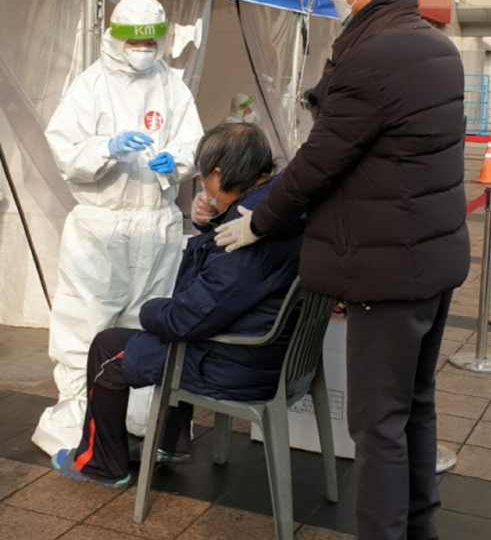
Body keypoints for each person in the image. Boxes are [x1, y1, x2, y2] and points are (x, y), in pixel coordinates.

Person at [215, 0, 470, 540]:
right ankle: (422, 533)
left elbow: (315, 166)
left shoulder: (372, 54)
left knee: (377, 422)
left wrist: (255, 223)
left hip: (386, 272)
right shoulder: (437, 47)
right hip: (433, 260)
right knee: (415, 403)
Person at [51, 123, 303, 486]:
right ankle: (171, 440)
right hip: (268, 352)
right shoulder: (278, 210)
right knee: (173, 330)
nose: (203, 185)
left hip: (235, 364)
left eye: (204, 176)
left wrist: (150, 310)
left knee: (108, 347)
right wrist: (215, 220)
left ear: (218, 173)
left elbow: (189, 319)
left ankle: (100, 464)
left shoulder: (246, 244)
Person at [33, 0, 204, 456]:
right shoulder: (91, 85)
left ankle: (136, 414)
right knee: (87, 321)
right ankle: (78, 417)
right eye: (136, 40)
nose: (144, 49)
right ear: (117, 38)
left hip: (156, 222)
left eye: (152, 40)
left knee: (146, 320)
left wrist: (178, 162)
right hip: (102, 225)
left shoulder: (173, 86)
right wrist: (107, 147)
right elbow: (66, 150)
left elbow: (192, 142)